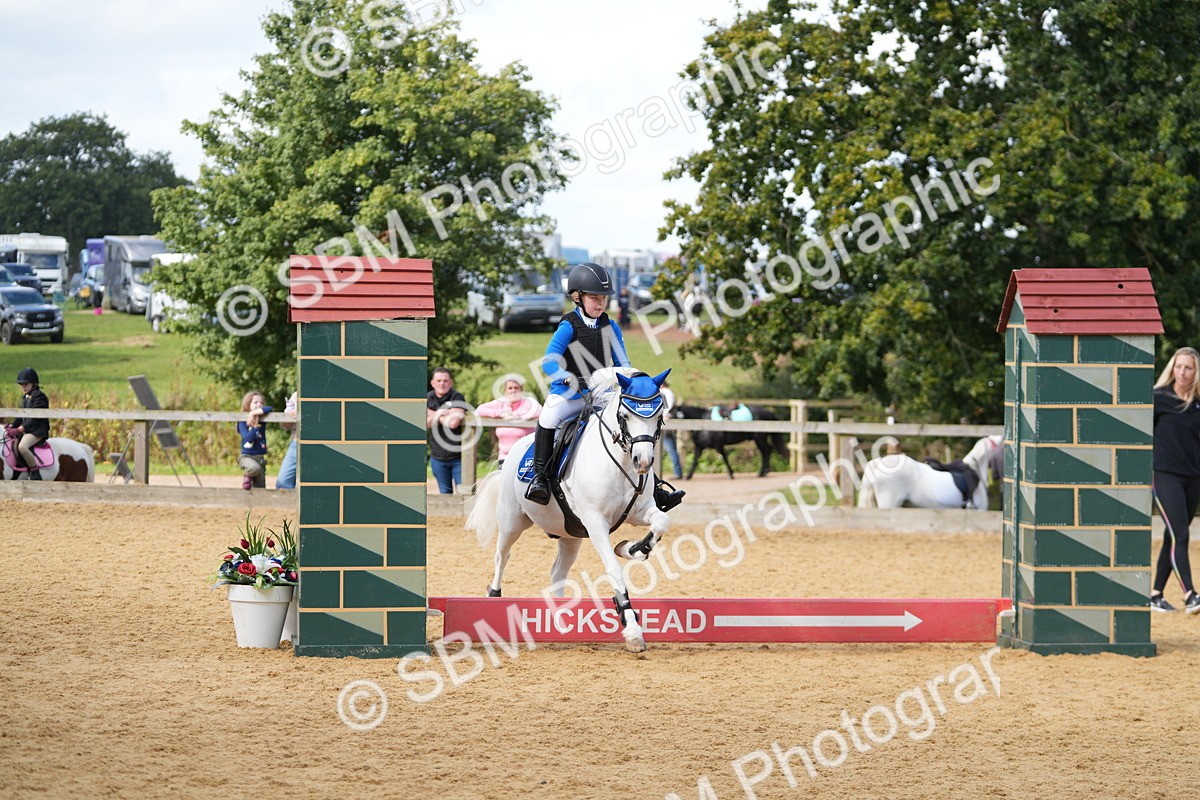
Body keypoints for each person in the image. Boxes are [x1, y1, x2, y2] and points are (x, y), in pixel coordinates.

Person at [526, 262, 683, 512]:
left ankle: (653, 490)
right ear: (578, 297)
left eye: (603, 299)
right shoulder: (568, 325)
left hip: (600, 393)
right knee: (547, 418)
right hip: (569, 392)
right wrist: (565, 375)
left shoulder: (611, 327)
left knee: (633, 424)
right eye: (594, 298)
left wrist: (635, 381)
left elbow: (623, 363)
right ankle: (540, 478)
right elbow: (549, 360)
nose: (600, 304)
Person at [1149, 346, 1200, 614]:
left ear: (1195, 371)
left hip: (1193, 477)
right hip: (1165, 474)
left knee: (1173, 536)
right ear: (1173, 368)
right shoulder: (1159, 398)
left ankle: (1155, 594)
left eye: (1188, 367)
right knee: (1181, 533)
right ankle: (1190, 594)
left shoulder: (1198, 402)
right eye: (1179, 366)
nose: (1182, 372)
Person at [475, 374, 542, 466]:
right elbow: (480, 409)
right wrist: (500, 413)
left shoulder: (528, 402)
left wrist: (516, 416)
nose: (513, 391)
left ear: (521, 390)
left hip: (524, 457)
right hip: (504, 457)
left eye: (516, 388)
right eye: (510, 388)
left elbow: (539, 411)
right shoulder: (501, 403)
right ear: (505, 391)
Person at [427, 367, 466, 494]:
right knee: (444, 494)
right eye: (438, 380)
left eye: (445, 380)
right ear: (432, 383)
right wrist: (441, 413)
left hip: (458, 457)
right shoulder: (428, 398)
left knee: (464, 494)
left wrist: (432, 414)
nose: (442, 383)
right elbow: (424, 425)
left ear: (451, 382)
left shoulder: (457, 397)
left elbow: (453, 423)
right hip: (437, 457)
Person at [7, 367, 50, 480]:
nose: (23, 387)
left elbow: (34, 419)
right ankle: (19, 468)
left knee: (22, 446)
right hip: (28, 430)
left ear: (33, 383)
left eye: (26, 384)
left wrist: (20, 429)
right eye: (21, 384)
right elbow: (21, 416)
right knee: (11, 443)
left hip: (37, 430)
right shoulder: (25, 397)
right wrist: (12, 426)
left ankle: (35, 471)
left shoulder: (39, 397)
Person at [237, 390, 272, 490]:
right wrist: (255, 427)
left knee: (260, 487)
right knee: (254, 469)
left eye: (261, 402)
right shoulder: (243, 422)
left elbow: (269, 408)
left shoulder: (262, 418)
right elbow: (248, 438)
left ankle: (257, 505)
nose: (259, 404)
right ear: (248, 405)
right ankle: (247, 475)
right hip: (247, 457)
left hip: (260, 458)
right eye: (255, 402)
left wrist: (254, 413)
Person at [659, 378, 684, 481]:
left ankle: (678, 472)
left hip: (665, 424)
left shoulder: (665, 392)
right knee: (671, 448)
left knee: (670, 448)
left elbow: (666, 408)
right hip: (665, 423)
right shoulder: (666, 392)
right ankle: (678, 472)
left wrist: (662, 416)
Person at [275, 391, 298, 490]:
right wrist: (288, 417)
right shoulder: (296, 395)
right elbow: (285, 426)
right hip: (296, 442)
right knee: (283, 482)